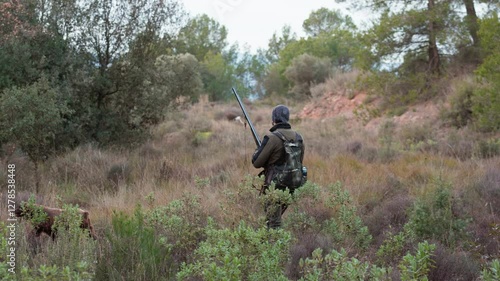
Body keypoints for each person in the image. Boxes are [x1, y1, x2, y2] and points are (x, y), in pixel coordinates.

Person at [252, 105, 305, 229]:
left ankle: (275, 246)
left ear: (273, 119)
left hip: (275, 185)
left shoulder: (272, 138)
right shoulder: (298, 137)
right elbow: (299, 161)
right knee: (274, 218)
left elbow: (256, 163)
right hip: (293, 184)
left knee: (274, 222)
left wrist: (258, 150)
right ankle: (271, 242)